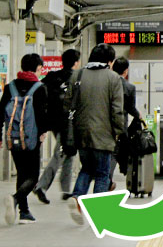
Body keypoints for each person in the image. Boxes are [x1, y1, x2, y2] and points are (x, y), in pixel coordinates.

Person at [65, 43, 124, 225]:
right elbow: (117, 110)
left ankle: (76, 198)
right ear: (109, 61)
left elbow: (68, 102)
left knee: (87, 168)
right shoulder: (113, 78)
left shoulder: (78, 74)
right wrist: (119, 131)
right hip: (103, 134)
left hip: (81, 133)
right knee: (102, 173)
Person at [0, 54, 48, 225]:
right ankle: (16, 199)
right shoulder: (39, 87)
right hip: (31, 138)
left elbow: (0, 112)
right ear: (38, 68)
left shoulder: (10, 87)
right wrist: (43, 132)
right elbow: (42, 114)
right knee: (33, 175)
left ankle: (24, 212)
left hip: (13, 137)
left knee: (21, 173)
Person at [33, 49, 81, 204]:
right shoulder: (77, 78)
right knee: (60, 153)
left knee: (69, 152)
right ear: (75, 62)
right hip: (68, 122)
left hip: (54, 121)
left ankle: (66, 189)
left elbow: (41, 93)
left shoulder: (52, 76)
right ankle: (41, 186)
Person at [109, 56, 143, 189]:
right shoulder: (129, 87)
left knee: (110, 152)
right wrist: (138, 115)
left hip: (106, 123)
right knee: (116, 153)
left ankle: (106, 178)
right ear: (126, 71)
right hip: (121, 125)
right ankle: (109, 179)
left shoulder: (109, 84)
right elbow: (130, 108)